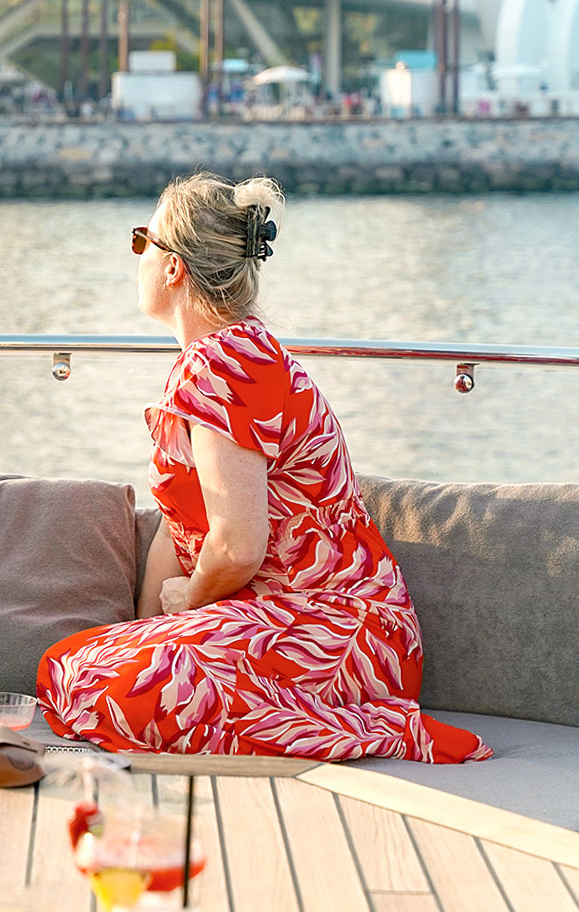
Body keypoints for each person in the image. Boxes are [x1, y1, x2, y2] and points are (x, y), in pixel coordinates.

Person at [36, 173, 491, 764]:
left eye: (141, 240)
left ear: (173, 268)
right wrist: (148, 632)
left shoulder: (220, 367)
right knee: (81, 663)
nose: (137, 258)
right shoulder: (241, 352)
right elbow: (186, 535)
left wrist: (188, 602)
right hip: (314, 627)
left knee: (75, 676)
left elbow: (236, 549)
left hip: (333, 635)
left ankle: (369, 728)